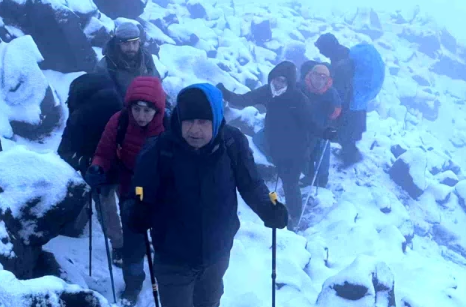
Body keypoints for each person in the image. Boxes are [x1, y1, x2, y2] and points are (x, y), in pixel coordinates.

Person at [123, 83, 289, 307]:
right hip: (174, 255)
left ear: (217, 118)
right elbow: (141, 192)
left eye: (203, 122)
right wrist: (138, 210)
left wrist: (268, 209)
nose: (194, 130)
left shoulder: (232, 143)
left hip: (217, 253)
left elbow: (251, 184)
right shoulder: (159, 149)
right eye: (188, 121)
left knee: (209, 303)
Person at [217, 61, 337, 229]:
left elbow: (311, 124)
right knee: (281, 177)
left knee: (290, 184)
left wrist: (325, 133)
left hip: (296, 149)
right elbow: (245, 99)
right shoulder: (268, 92)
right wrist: (225, 93)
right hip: (275, 145)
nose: (278, 83)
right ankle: (276, 210)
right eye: (276, 79)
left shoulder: (298, 99)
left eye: (283, 80)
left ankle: (294, 219)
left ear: (289, 82)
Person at [85, 76, 166, 306]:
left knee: (164, 238)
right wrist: (97, 167)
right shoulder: (119, 122)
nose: (141, 116)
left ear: (157, 110)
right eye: (136, 109)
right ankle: (133, 284)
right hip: (129, 187)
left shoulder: (169, 127)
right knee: (132, 241)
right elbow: (103, 151)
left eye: (147, 111)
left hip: (162, 190)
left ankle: (167, 277)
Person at [57, 73, 123, 248]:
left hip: (97, 169)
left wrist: (82, 162)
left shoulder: (79, 115)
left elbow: (64, 150)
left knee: (106, 208)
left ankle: (119, 245)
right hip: (125, 163)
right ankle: (135, 240)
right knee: (131, 200)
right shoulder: (121, 106)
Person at [315, 33, 367, 165]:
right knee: (347, 132)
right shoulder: (341, 54)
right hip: (354, 102)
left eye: (321, 48)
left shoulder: (341, 62)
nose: (320, 51)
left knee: (345, 132)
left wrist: (334, 104)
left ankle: (350, 158)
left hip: (349, 105)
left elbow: (342, 88)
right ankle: (348, 153)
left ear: (327, 46)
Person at [298, 61, 342, 187]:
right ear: (311, 75)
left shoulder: (331, 93)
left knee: (321, 151)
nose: (319, 80)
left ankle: (322, 179)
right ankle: (308, 175)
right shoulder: (301, 87)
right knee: (306, 152)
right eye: (317, 76)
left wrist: (331, 110)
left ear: (327, 80)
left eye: (323, 78)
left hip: (321, 128)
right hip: (303, 126)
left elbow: (337, 111)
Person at [95, 22, 161, 98]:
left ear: (139, 42)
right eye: (126, 43)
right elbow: (101, 97)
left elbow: (156, 82)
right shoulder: (105, 66)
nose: (131, 48)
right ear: (118, 44)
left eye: (134, 42)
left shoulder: (146, 57)